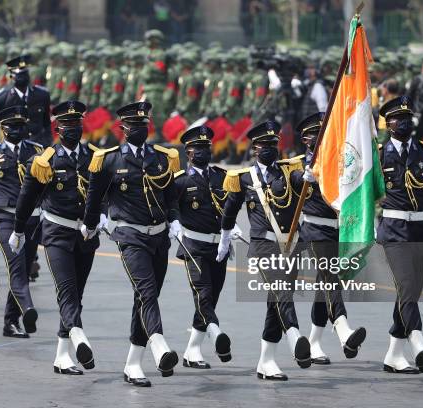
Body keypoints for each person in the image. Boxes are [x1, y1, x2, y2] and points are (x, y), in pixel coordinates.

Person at [83, 101, 182, 387]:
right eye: (134, 126)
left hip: (159, 236)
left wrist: (175, 220)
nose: (141, 130)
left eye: (144, 125)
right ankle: (159, 344)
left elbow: (171, 196)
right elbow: (93, 198)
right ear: (123, 129)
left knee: (144, 298)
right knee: (147, 291)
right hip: (130, 236)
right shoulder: (109, 160)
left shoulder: (162, 158)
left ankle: (132, 364)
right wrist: (92, 225)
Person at [13, 101, 104, 374]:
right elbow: (27, 198)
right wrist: (18, 229)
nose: (73, 129)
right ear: (57, 127)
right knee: (66, 291)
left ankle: (61, 356)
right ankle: (78, 337)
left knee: (77, 295)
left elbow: (105, 193)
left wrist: (105, 217)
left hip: (86, 234)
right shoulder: (45, 160)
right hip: (56, 233)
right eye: (67, 125)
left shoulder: (94, 157)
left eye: (77, 124)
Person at [218, 120, 312, 381]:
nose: (270, 149)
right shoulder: (243, 178)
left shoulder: (288, 171)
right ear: (255, 148)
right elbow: (229, 212)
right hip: (262, 245)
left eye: (274, 144)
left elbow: (302, 184)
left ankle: (266, 361)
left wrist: (308, 178)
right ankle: (295, 336)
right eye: (265, 145)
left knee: (275, 304)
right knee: (281, 291)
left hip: (290, 245)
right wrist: (225, 239)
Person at [377, 95, 423, 374]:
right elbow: (367, 193)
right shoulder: (378, 154)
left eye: (408, 118)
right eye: (399, 119)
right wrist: (368, 222)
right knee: (406, 285)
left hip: (421, 230)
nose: (405, 123)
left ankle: (393, 355)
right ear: (388, 123)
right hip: (393, 230)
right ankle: (418, 341)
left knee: (410, 292)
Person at [294, 112, 367, 365]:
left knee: (323, 287)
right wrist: (301, 178)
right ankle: (343, 330)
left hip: (339, 230)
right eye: (319, 135)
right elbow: (290, 189)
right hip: (315, 232)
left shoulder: (339, 162)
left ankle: (314, 341)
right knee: (330, 278)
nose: (325, 138)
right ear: (306, 140)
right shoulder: (299, 166)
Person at [0, 106, 42, 338]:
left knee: (26, 264)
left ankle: (10, 321)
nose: (17, 130)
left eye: (21, 126)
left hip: (32, 218)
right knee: (17, 265)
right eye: (12, 126)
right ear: (3, 129)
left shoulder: (37, 152)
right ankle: (28, 307)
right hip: (3, 216)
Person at [173, 125, 237, 369]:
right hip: (193, 246)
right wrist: (175, 223)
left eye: (206, 148)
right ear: (188, 153)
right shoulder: (181, 181)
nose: (203, 152)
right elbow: (172, 208)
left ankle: (192, 351)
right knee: (203, 294)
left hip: (218, 247)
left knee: (212, 297)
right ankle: (216, 333)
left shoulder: (221, 177)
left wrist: (231, 229)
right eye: (198, 149)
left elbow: (229, 207)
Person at [0, 55, 52, 147]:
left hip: (39, 145)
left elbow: (46, 122)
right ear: (12, 77)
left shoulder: (42, 95)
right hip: (12, 146)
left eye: (24, 74)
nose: (23, 78)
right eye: (19, 75)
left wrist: (47, 141)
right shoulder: (0, 98)